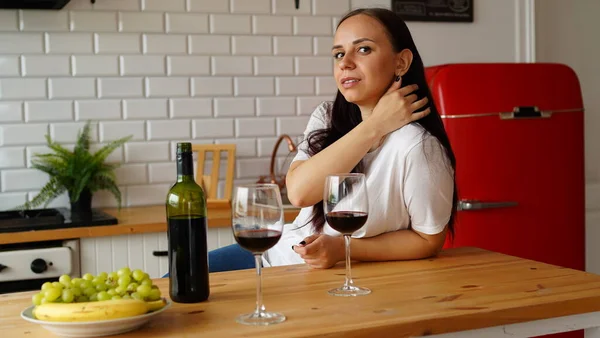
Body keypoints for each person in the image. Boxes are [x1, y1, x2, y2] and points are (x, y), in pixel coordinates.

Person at [207, 7, 457, 272]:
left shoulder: (417, 145)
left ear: (401, 63)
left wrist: (343, 250)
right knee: (177, 282)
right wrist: (375, 125)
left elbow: (428, 240)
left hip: (313, 276)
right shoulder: (327, 116)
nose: (345, 63)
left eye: (363, 50)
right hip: (277, 254)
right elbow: (300, 193)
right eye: (339, 53)